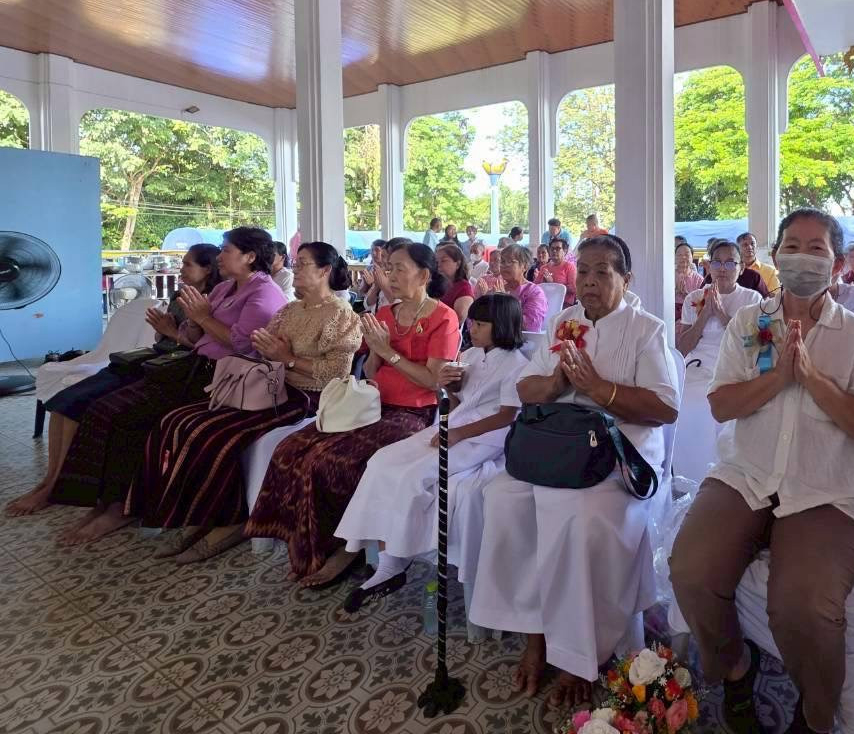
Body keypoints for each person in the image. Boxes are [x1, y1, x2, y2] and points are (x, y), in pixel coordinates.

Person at [670, 209, 854, 734]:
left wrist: (814, 379)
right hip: (746, 474)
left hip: (829, 488)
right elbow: (723, 404)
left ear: (836, 264)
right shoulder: (752, 324)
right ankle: (736, 670)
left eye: (817, 248)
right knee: (691, 569)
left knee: (805, 604)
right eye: (792, 245)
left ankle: (816, 714)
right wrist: (780, 378)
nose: (803, 256)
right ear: (775, 256)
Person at [468, 234, 680, 706]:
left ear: (627, 278)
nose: (589, 281)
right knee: (503, 499)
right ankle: (535, 635)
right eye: (582, 271)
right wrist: (558, 381)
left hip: (620, 452)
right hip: (559, 445)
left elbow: (665, 408)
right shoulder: (567, 321)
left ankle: (576, 653)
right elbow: (526, 388)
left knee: (577, 519)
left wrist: (600, 388)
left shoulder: (647, 330)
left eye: (603, 271)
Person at [50, 227, 287, 544]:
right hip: (191, 366)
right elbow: (193, 339)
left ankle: (121, 507)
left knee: (129, 418)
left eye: (226, 250)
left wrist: (202, 319)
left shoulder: (264, 294)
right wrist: (185, 325)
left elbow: (242, 346)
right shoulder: (225, 288)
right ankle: (99, 500)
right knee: (102, 409)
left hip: (220, 377)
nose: (220, 256)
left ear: (249, 257)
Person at [128, 242, 361, 563]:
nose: (295, 269)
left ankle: (231, 522)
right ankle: (198, 516)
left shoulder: (340, 314)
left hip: (308, 397)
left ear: (324, 271)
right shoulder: (290, 310)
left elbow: (337, 371)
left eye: (303, 263)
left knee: (217, 436)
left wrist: (288, 359)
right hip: (271, 386)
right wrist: (203, 322)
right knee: (179, 420)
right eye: (296, 261)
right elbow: (256, 344)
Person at [245, 242, 460, 584]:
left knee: (333, 460)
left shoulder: (442, 317)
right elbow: (372, 374)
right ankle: (307, 544)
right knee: (292, 448)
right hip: (372, 403)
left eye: (399, 268)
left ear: (423, 275)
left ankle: (348, 547)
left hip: (414, 413)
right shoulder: (387, 315)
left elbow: (435, 382)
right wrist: (376, 352)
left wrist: (387, 351)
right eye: (388, 268)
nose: (390, 275)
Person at [335, 294, 527, 611]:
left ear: (502, 326)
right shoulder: (472, 354)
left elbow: (507, 415)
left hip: (488, 437)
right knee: (382, 461)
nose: (473, 329)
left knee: (414, 475)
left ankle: (397, 560)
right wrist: (450, 385)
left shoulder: (519, 365)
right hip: (457, 423)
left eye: (481, 324)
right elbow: (460, 398)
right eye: (473, 322)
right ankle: (385, 560)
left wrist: (459, 433)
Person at [5, 243, 222, 518]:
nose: (181, 269)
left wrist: (173, 332)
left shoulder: (213, 301)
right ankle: (50, 480)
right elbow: (162, 339)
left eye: (188, 264)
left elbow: (203, 348)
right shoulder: (179, 294)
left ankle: (59, 486)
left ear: (208, 269)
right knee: (62, 404)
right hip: (153, 357)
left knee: (83, 407)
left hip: (175, 368)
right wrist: (162, 329)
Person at [675, 239, 762, 482]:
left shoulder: (752, 300)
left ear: (741, 268)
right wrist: (704, 315)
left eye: (729, 263)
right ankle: (690, 477)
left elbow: (754, 347)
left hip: (735, 364)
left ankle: (727, 477)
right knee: (688, 403)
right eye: (716, 262)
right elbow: (682, 349)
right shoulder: (695, 297)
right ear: (708, 266)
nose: (722, 268)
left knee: (726, 408)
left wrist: (723, 314)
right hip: (699, 365)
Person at [497, 243, 548, 332]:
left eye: (510, 262)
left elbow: (531, 326)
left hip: (521, 343)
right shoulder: (498, 288)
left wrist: (504, 304)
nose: (504, 265)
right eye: (502, 261)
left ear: (524, 266)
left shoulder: (535, 292)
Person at [434, 243, 476, 324]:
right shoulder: (436, 284)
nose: (438, 265)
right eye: (436, 261)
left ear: (458, 264)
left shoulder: (464, 287)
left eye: (444, 260)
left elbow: (459, 319)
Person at [533, 236, 577, 307]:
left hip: (564, 305)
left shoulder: (569, 267)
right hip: (545, 303)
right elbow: (536, 286)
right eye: (552, 249)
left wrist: (553, 284)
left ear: (565, 251)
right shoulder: (544, 267)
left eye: (558, 248)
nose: (554, 251)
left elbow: (573, 289)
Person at [674, 241, 704, 323]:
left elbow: (702, 305)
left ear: (692, 257)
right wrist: (674, 292)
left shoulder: (699, 280)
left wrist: (688, 297)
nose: (683, 257)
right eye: (679, 255)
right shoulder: (668, 276)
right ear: (675, 257)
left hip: (690, 320)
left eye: (687, 254)